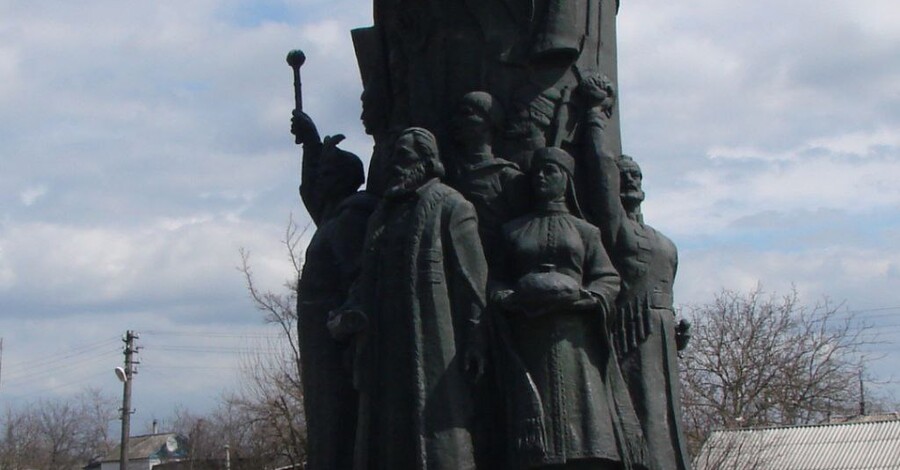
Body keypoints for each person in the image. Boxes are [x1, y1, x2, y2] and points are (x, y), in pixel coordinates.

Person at [329, 127, 488, 470]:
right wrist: (351, 311)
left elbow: (472, 280)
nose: (395, 165)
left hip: (434, 340)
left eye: (404, 156)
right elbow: (364, 277)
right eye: (393, 157)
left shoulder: (451, 206)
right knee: (387, 433)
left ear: (427, 160)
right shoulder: (381, 216)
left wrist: (476, 336)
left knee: (437, 429)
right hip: (384, 342)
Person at [494, 147, 649, 469]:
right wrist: (509, 298)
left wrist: (586, 297)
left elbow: (607, 277)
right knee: (535, 430)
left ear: (566, 179)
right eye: (537, 172)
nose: (541, 177)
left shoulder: (585, 231)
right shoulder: (513, 231)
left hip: (576, 337)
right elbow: (495, 280)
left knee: (584, 422)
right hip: (530, 334)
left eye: (550, 171)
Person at [579, 78, 692, 470]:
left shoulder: (666, 244)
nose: (630, 180)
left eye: (636, 175)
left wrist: (674, 333)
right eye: (624, 175)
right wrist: (595, 116)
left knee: (665, 417)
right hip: (630, 333)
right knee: (640, 414)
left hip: (660, 341)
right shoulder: (618, 231)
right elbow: (600, 170)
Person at [291, 114, 379, 470]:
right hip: (319, 336)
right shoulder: (333, 217)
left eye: (327, 174)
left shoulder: (350, 220)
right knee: (322, 415)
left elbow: (357, 276)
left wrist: (344, 322)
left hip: (332, 339)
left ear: (343, 180)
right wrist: (311, 145)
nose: (319, 180)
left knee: (334, 416)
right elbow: (311, 192)